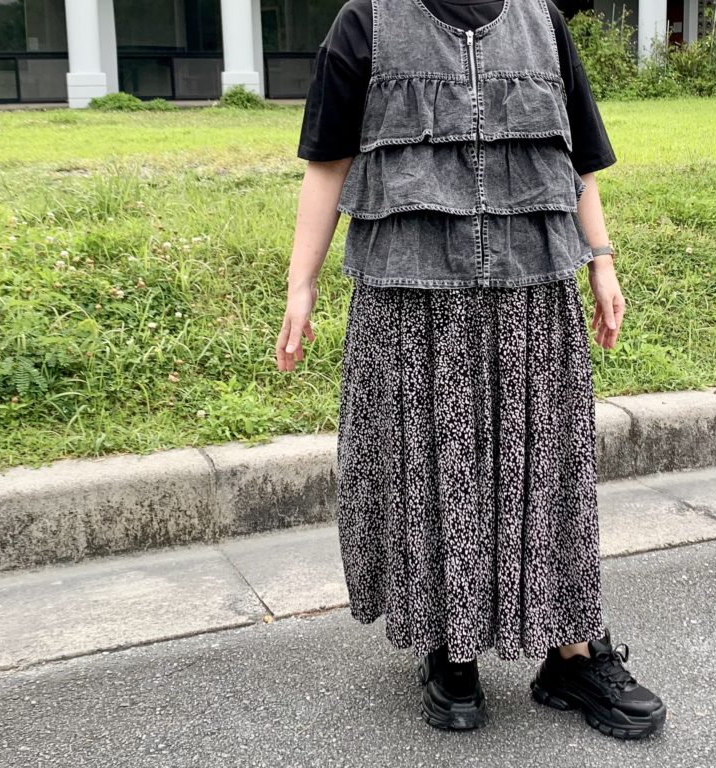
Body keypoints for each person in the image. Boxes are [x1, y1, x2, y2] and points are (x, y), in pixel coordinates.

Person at [277, 0, 667, 741]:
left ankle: (572, 652)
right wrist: (302, 285)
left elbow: (576, 160)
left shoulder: (543, 22)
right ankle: (450, 648)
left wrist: (602, 260)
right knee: (431, 470)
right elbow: (326, 163)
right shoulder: (365, 21)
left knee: (548, 468)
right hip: (411, 300)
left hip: (533, 294)